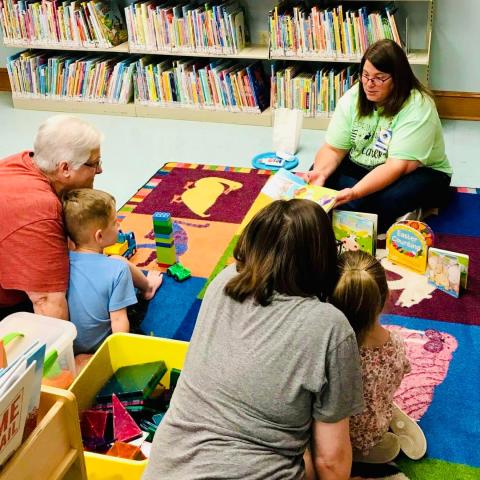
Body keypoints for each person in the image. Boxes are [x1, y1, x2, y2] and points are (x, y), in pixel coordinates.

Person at [143, 199, 364, 480]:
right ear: (322, 260)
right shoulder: (330, 326)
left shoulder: (223, 282)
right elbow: (331, 461)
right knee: (308, 459)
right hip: (258, 463)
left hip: (167, 469)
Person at [307, 39, 452, 232]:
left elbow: (396, 167)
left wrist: (354, 192)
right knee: (318, 174)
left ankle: (410, 210)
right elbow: (334, 149)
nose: (369, 84)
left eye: (379, 78)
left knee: (381, 202)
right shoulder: (353, 97)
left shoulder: (418, 106)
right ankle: (365, 206)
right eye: (365, 75)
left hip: (420, 171)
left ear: (398, 78)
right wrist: (322, 173)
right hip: (368, 165)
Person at [0, 115, 104, 320]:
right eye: (94, 163)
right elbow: (47, 303)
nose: (100, 170)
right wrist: (72, 351)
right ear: (65, 168)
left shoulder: (23, 161)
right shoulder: (40, 211)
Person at [331, 250, 426, 464]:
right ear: (385, 297)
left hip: (333, 438)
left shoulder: (330, 353)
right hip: (371, 433)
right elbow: (400, 375)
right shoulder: (396, 346)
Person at [62, 188, 163, 354]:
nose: (119, 225)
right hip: (101, 347)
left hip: (71, 348)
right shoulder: (117, 270)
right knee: (118, 261)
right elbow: (118, 319)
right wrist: (119, 355)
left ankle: (147, 287)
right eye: (115, 222)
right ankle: (148, 288)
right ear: (99, 236)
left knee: (115, 260)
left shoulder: (63, 261)